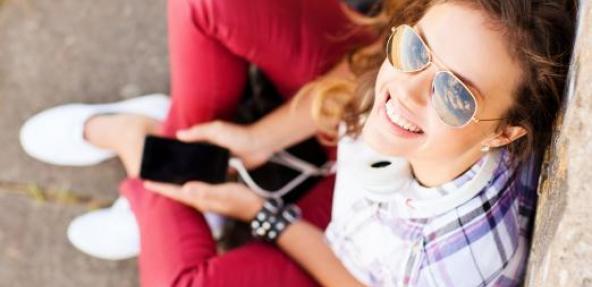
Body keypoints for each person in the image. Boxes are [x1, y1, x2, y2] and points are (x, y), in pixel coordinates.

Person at [19, 0, 576, 286]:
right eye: (415, 49)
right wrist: (256, 138)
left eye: (456, 93)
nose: (404, 89)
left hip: (337, 252)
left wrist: (265, 215)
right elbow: (363, 76)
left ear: (506, 133)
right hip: (354, 153)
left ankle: (136, 140)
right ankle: (181, 168)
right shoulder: (421, 87)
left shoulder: (447, 267)